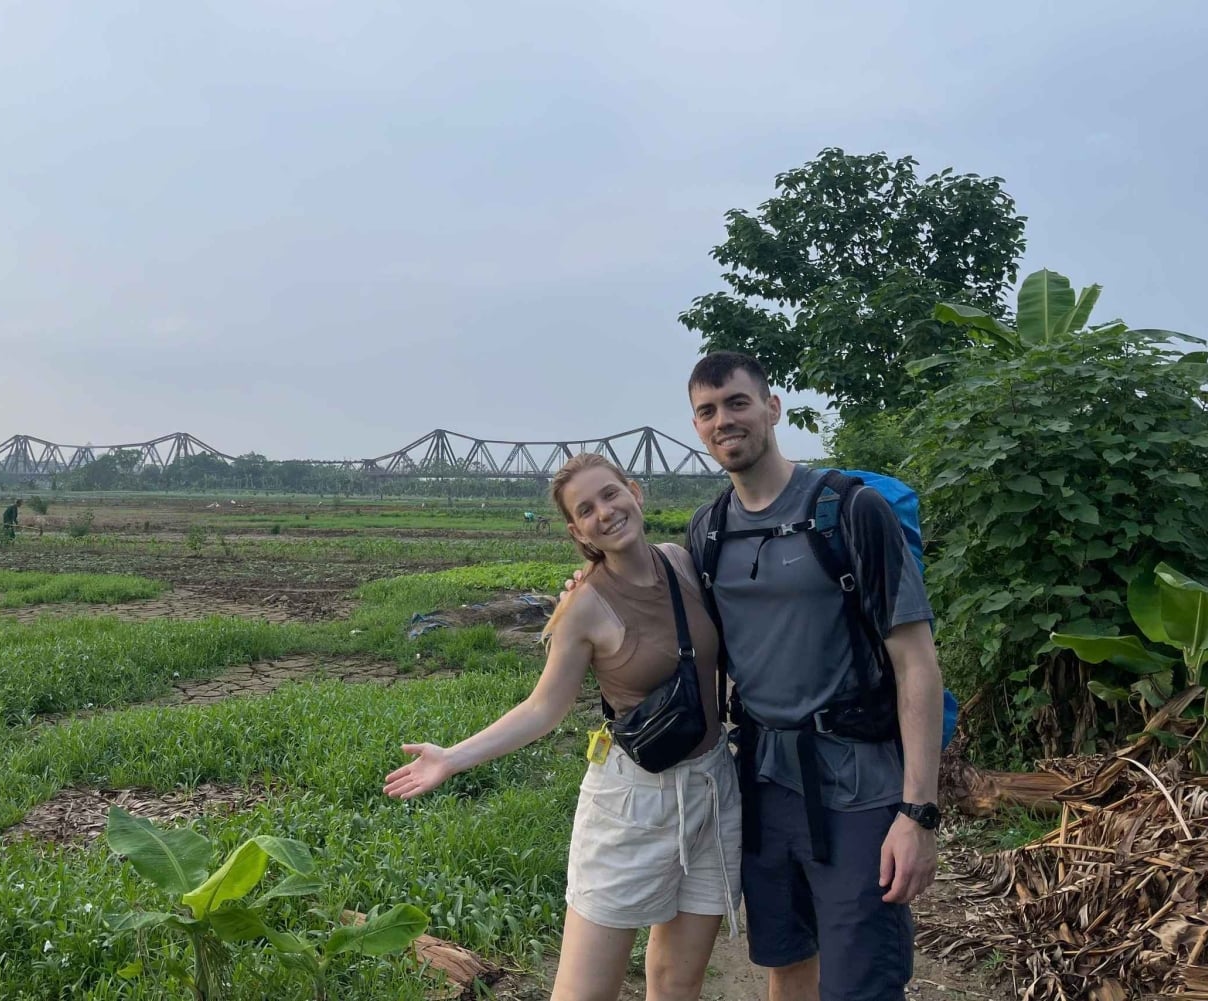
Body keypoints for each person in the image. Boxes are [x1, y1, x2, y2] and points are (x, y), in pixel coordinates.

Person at [386, 453, 741, 1001]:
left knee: (677, 983)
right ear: (577, 530)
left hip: (714, 792)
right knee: (584, 991)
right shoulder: (583, 605)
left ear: (635, 492)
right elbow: (542, 709)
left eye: (610, 494)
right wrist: (452, 757)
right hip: (634, 804)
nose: (606, 512)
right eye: (586, 509)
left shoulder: (681, 563)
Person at [685, 352, 942, 1001]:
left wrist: (918, 813)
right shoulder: (707, 531)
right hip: (763, 782)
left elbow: (917, 663)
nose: (724, 420)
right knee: (786, 960)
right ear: (697, 426)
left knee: (862, 978)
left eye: (738, 402)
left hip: (857, 785)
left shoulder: (850, 511)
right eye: (707, 410)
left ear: (772, 409)